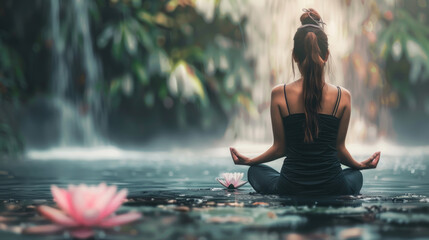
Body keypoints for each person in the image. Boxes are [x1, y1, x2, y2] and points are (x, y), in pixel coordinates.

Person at [229, 8, 381, 196]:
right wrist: (360, 165)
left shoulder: (279, 94)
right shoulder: (343, 97)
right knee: (355, 174)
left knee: (255, 171)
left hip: (290, 187)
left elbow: (280, 148)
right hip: (333, 188)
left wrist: (249, 161)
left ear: (294, 55)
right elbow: (339, 150)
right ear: (326, 56)